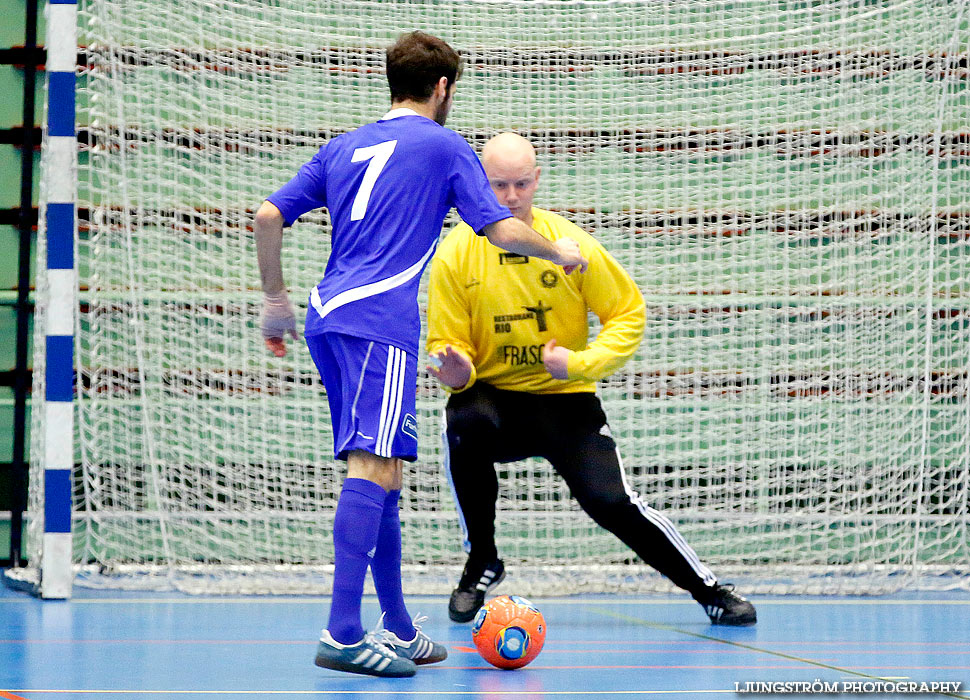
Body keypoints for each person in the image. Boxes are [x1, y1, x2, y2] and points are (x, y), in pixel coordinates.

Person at [254, 35, 588, 678]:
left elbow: (269, 216)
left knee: (385, 474)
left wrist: (275, 300)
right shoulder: (444, 146)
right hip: (380, 321)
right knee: (371, 466)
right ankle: (344, 632)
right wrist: (558, 251)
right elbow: (499, 228)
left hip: (329, 317)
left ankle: (398, 628)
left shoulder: (343, 146)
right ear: (442, 88)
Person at [426, 132, 757, 627]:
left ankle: (708, 589)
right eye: (498, 186)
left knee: (611, 502)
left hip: (565, 403)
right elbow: (447, 347)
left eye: (521, 184)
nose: (511, 197)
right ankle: (483, 561)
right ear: (479, 183)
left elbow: (627, 312)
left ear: (537, 179)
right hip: (494, 401)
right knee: (464, 419)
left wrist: (580, 364)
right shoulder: (455, 254)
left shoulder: (570, 245)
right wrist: (457, 372)